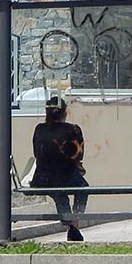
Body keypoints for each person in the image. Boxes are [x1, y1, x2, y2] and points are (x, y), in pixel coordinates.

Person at [32, 94, 89, 241]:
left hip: (43, 178)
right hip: (65, 176)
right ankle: (74, 222)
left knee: (59, 194)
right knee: (83, 188)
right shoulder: (73, 130)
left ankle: (70, 223)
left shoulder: (39, 129)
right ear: (65, 112)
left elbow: (37, 153)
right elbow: (78, 155)